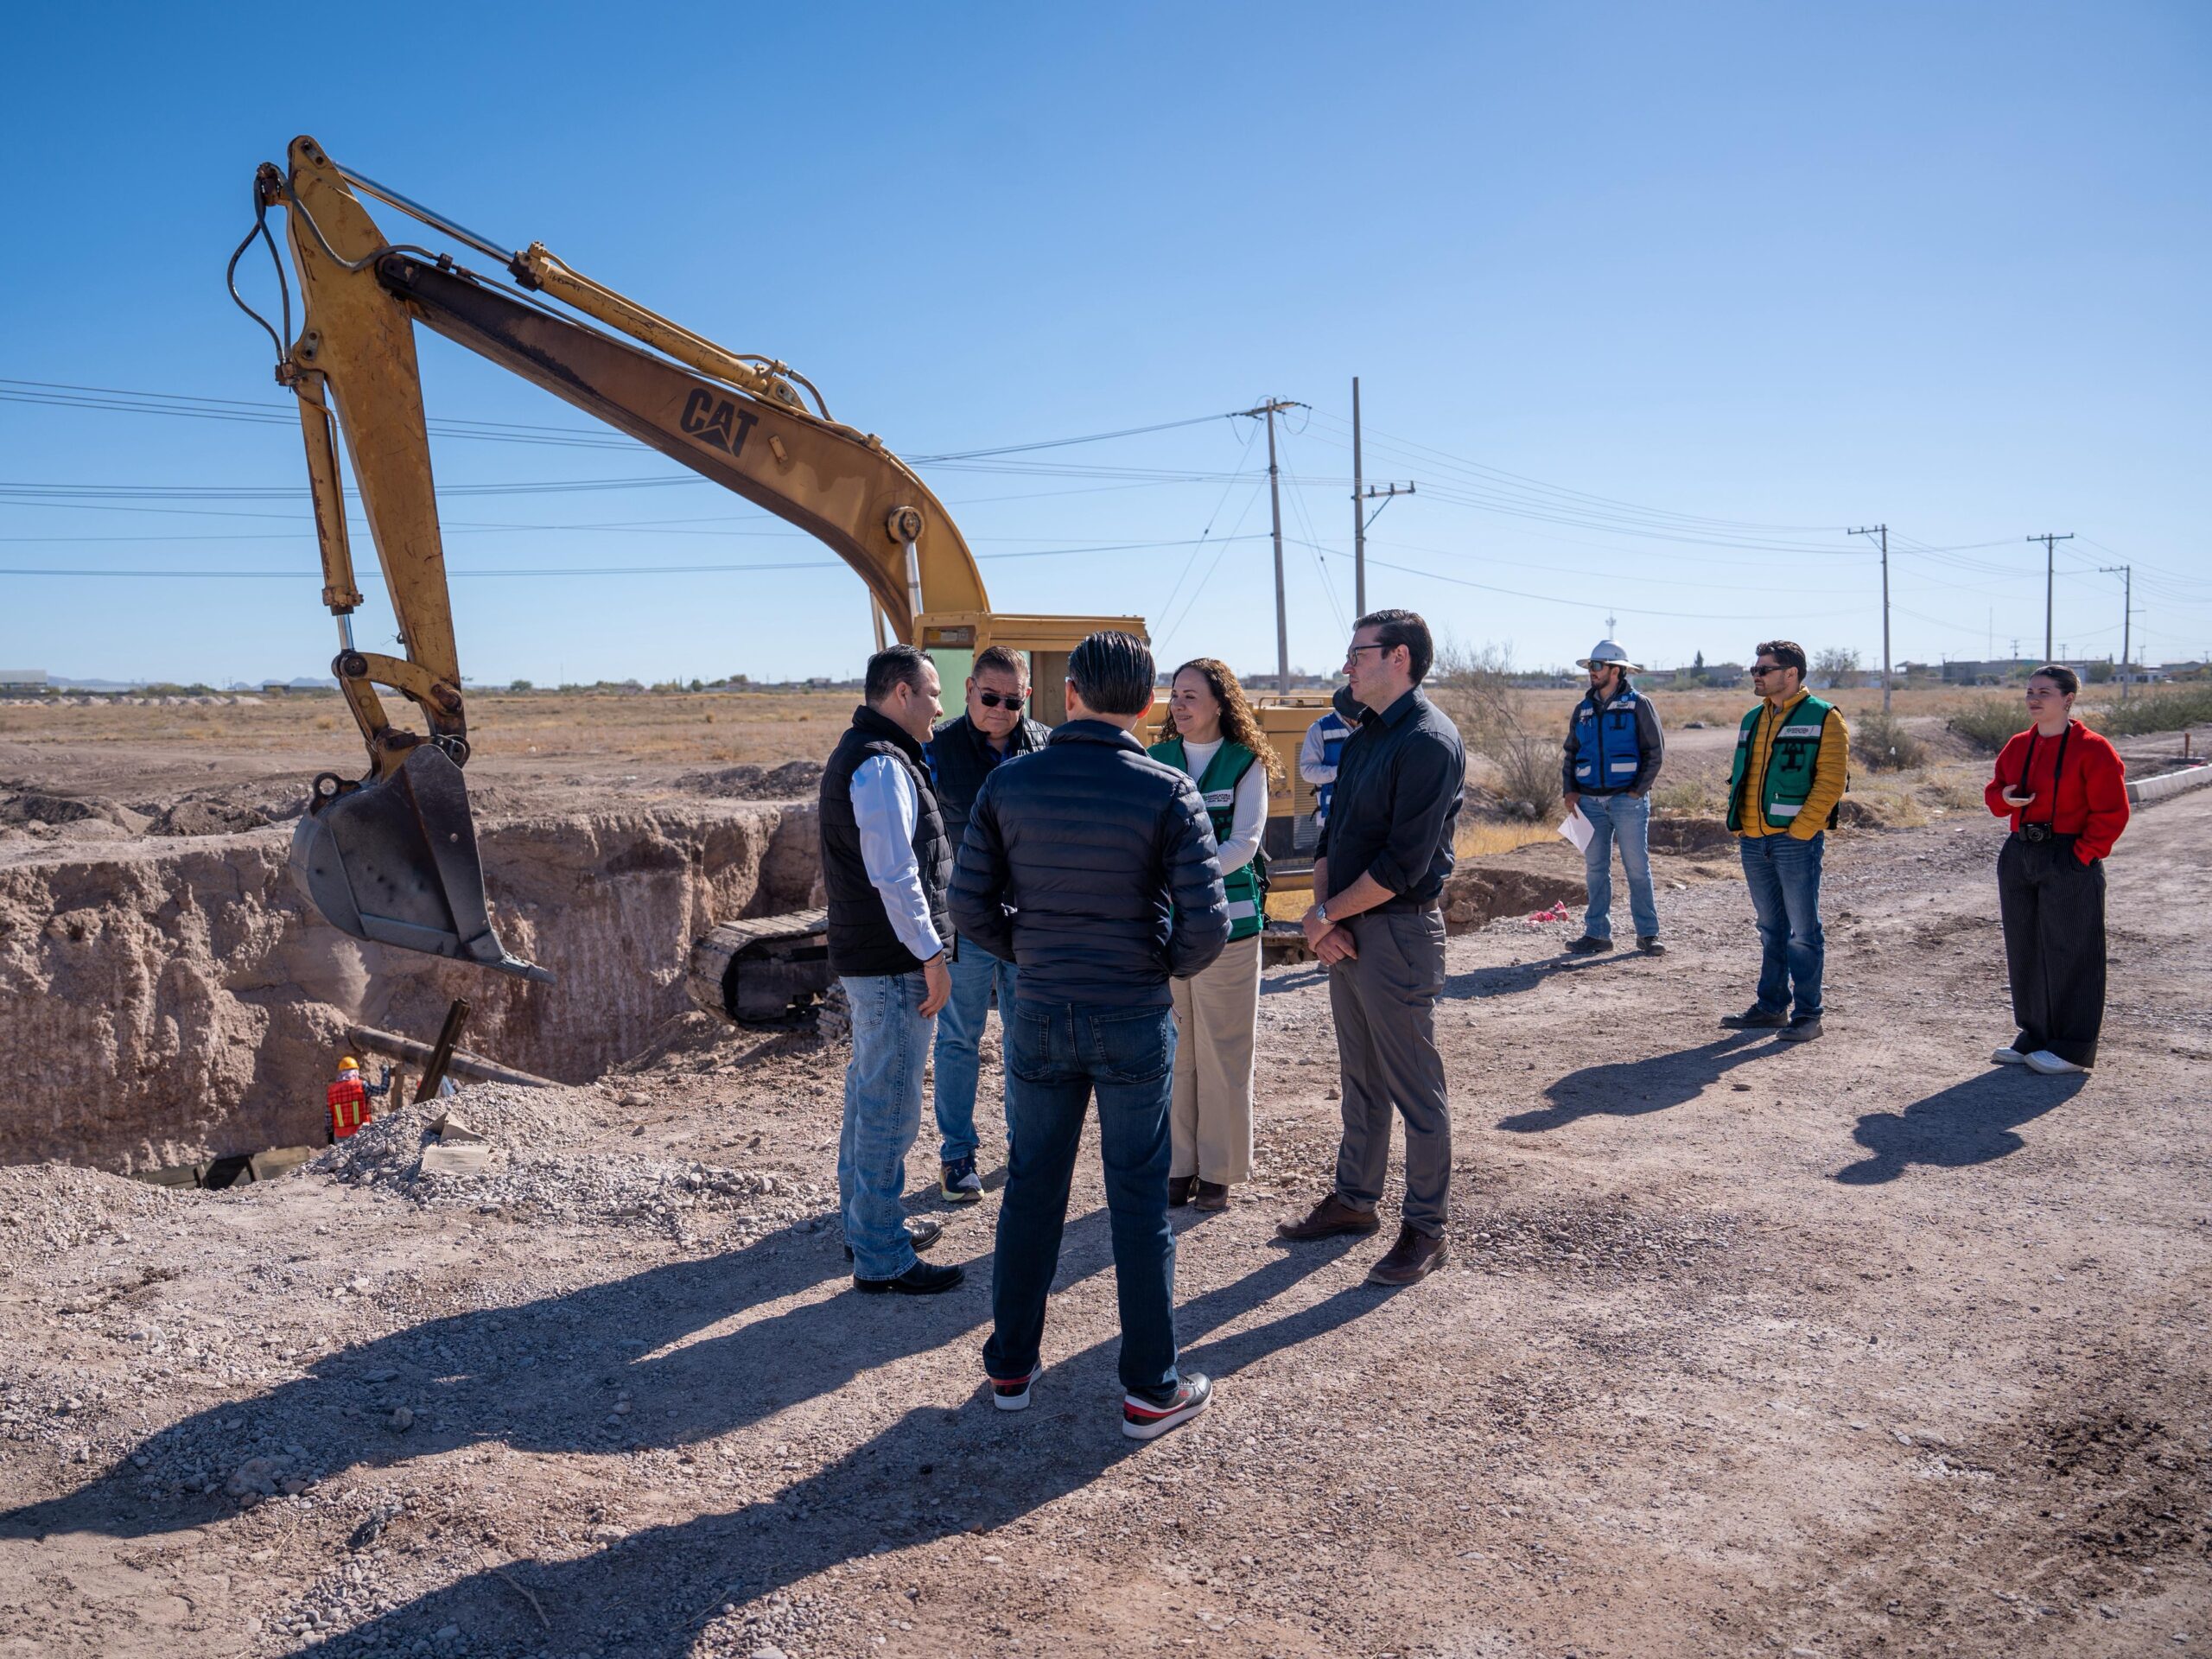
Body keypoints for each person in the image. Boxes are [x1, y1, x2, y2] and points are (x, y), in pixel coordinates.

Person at [950, 630, 1229, 1439]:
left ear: (1066, 693)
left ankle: (1010, 1366)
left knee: (1032, 1186)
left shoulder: (1011, 783)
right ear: (1143, 705)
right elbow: (1207, 929)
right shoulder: (1168, 790)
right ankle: (1150, 1389)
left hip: (1039, 1010)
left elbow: (969, 907)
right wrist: (1150, 967)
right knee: (1138, 1201)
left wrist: (1031, 951)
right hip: (1133, 1016)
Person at [1281, 607, 1465, 1287]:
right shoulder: (1362, 737)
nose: (1347, 665)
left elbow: (1401, 867)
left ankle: (1426, 1226)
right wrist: (1325, 919)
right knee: (1360, 1079)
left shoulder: (1428, 742)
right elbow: (1333, 834)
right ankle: (1355, 1203)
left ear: (1401, 659)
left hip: (1399, 932)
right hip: (1350, 928)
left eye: (1358, 653)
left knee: (1416, 1089)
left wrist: (1328, 913)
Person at [819, 645, 958, 1295]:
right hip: (893, 961)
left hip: (874, 958)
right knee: (889, 1108)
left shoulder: (874, 755)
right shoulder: (879, 766)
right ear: (900, 693)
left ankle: (866, 1228)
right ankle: (881, 1255)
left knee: (869, 1093)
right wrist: (932, 956)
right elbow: (897, 875)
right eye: (932, 692)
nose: (940, 705)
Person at [1151, 657, 1282, 1211]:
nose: (1178, 705)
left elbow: (1245, 844)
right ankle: (1179, 1168)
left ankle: (1221, 1170)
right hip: (1168, 932)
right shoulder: (1153, 760)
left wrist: (1178, 872)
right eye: (1174, 695)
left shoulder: (1245, 762)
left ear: (1220, 703)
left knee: (1223, 1051)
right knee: (1176, 1052)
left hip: (1230, 930)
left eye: (1190, 696)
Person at [925, 645, 1051, 1203]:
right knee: (958, 1039)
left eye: (1012, 700)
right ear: (969, 690)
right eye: (989, 697)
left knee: (1028, 1041)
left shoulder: (1045, 746)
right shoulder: (937, 750)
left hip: (1028, 924)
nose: (1000, 708)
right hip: (968, 921)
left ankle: (1027, 1149)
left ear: (1026, 697)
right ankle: (957, 1155)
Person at [1983, 664, 2129, 1074]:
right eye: (2030, 691)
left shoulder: (2093, 747)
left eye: (2044, 692)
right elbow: (1995, 793)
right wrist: (2005, 799)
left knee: (2072, 950)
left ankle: (2073, 1048)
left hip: (2068, 852)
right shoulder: (2017, 745)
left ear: (2068, 699)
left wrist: (2083, 855)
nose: (2033, 698)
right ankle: (2035, 1035)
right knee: (2025, 945)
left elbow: (2112, 812)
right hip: (2020, 853)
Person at [1721, 640, 1850, 1043]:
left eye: (1764, 669)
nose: (1756, 676)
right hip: (1753, 841)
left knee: (1803, 931)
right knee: (1770, 929)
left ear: (1790, 673)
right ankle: (1771, 1008)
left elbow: (1831, 782)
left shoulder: (1825, 716)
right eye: (1754, 669)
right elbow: (1744, 776)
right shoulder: (1751, 719)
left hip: (1795, 841)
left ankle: (1809, 1014)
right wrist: (1742, 825)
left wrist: (1801, 829)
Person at [1560, 639, 1667, 956]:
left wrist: (1638, 791)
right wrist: (1570, 790)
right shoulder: (1582, 710)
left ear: (1616, 670)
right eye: (1590, 667)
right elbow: (1571, 753)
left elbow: (1655, 752)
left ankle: (1648, 934)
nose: (1591, 672)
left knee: (1637, 868)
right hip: (1588, 802)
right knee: (1595, 870)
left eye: (1597, 666)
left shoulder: (1639, 704)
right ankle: (1597, 935)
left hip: (1627, 801)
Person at [1298, 683, 1365, 832]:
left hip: (1366, 815)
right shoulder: (1319, 729)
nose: (1358, 720)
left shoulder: (1370, 724)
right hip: (1331, 817)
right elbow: (1307, 771)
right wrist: (1341, 772)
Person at [324, 1055, 390, 1142]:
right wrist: (386, 1071)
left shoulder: (332, 1090)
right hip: (361, 1133)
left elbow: (328, 1116)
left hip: (340, 1136)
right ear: (355, 1071)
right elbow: (383, 1090)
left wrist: (330, 1133)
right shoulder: (361, 1086)